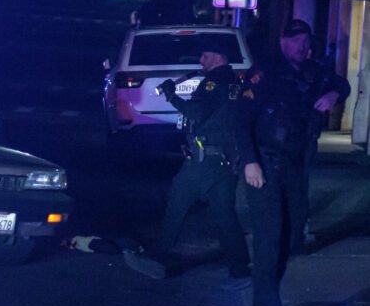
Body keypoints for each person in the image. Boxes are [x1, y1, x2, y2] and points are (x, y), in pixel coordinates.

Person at [124, 38, 256, 287]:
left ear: (218, 58)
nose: (201, 61)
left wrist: (171, 96)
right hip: (224, 159)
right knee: (224, 213)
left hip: (205, 161)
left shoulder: (212, 83)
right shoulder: (233, 84)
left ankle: (157, 258)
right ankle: (240, 268)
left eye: (205, 56)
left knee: (177, 199)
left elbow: (195, 113)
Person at [250, 18, 351, 252]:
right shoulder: (268, 70)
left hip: (302, 146)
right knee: (272, 200)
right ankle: (273, 243)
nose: (301, 46)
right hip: (272, 148)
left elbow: (342, 85)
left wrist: (333, 95)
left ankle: (295, 241)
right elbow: (246, 113)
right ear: (282, 41)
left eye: (305, 41)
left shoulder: (315, 71)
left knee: (297, 195)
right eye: (295, 40)